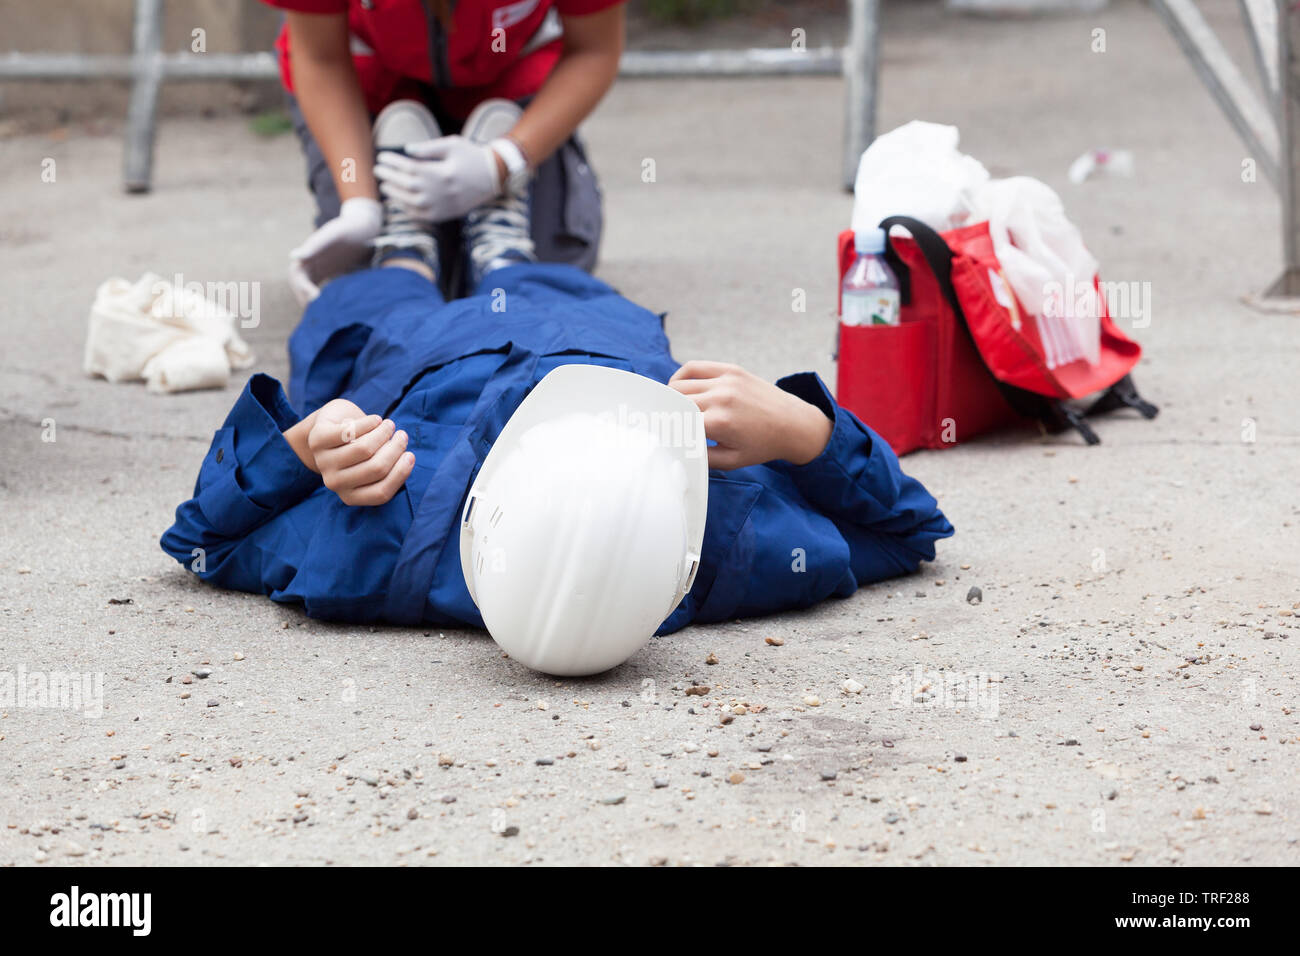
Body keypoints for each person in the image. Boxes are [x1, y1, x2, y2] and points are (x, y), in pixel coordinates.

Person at [160, 101, 953, 640]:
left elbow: (201, 540)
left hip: (418, 358)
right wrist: (805, 431)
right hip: (591, 332)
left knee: (363, 316)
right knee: (545, 285)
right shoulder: (735, 537)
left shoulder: (383, 543)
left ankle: (406, 243)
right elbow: (911, 530)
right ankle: (503, 246)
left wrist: (304, 447)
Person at [262, 0, 623, 302]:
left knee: (544, 277)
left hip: (512, 83)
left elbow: (593, 48)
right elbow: (319, 56)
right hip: (370, 88)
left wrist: (502, 162)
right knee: (375, 291)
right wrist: (359, 204)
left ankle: (493, 181)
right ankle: (405, 243)